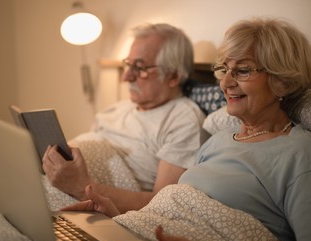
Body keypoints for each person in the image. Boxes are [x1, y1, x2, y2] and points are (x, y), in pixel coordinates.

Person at [63, 17, 311, 241]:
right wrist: (115, 218)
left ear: (282, 80)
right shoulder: (218, 139)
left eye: (243, 70)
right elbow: (173, 210)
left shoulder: (302, 151)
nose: (226, 82)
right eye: (224, 69)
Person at [43, 23, 207, 213]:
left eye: (139, 67)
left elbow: (164, 204)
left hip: (79, 201)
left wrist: (81, 187)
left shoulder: (183, 119)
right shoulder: (116, 109)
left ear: (173, 76)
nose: (126, 77)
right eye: (128, 64)